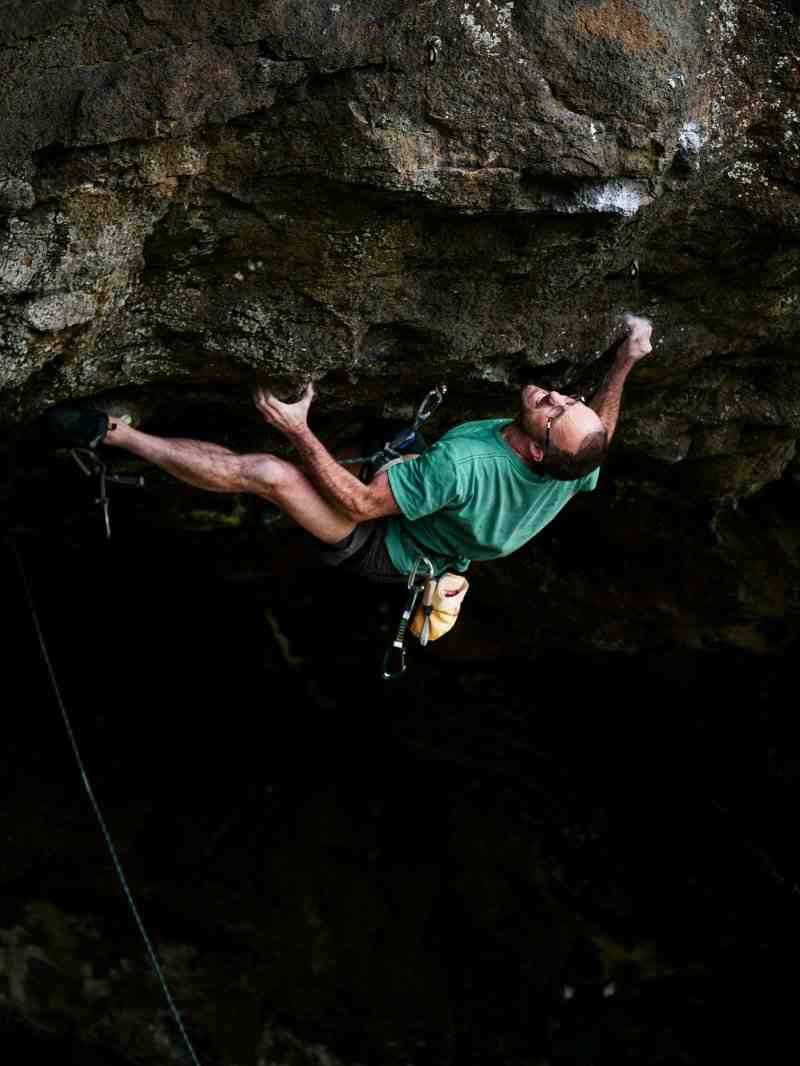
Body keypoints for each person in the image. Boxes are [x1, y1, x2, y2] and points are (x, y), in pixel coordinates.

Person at [69, 314, 653, 582]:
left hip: (388, 544)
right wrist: (624, 361)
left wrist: (299, 427)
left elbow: (363, 507)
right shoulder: (575, 461)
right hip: (436, 520)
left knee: (272, 472)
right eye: (565, 400)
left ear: (532, 454)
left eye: (554, 413)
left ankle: (113, 434)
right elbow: (599, 428)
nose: (553, 397)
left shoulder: (464, 466)